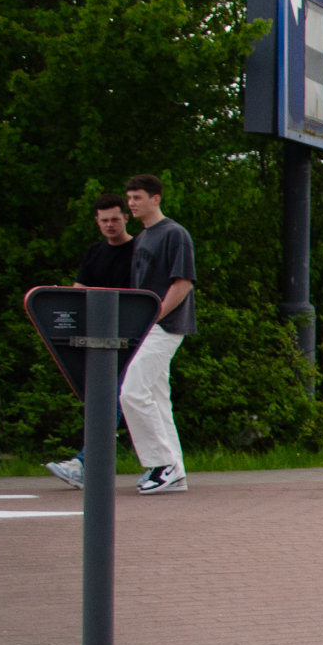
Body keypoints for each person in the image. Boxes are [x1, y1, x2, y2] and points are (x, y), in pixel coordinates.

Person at [45, 195, 141, 488]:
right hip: (100, 338)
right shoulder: (93, 253)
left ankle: (84, 464)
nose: (110, 225)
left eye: (115, 218)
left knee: (115, 397)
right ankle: (167, 464)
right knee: (112, 398)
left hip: (133, 336)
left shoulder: (139, 250)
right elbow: (80, 291)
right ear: (97, 222)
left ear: (125, 217)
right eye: (104, 220)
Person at [119, 174, 194, 494]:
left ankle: (162, 465)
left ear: (156, 198)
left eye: (137, 197)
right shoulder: (142, 238)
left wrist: (154, 316)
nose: (131, 204)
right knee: (158, 399)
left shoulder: (175, 234)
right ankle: (175, 471)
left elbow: (183, 283)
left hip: (164, 327)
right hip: (146, 328)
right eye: (129, 198)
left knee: (131, 392)